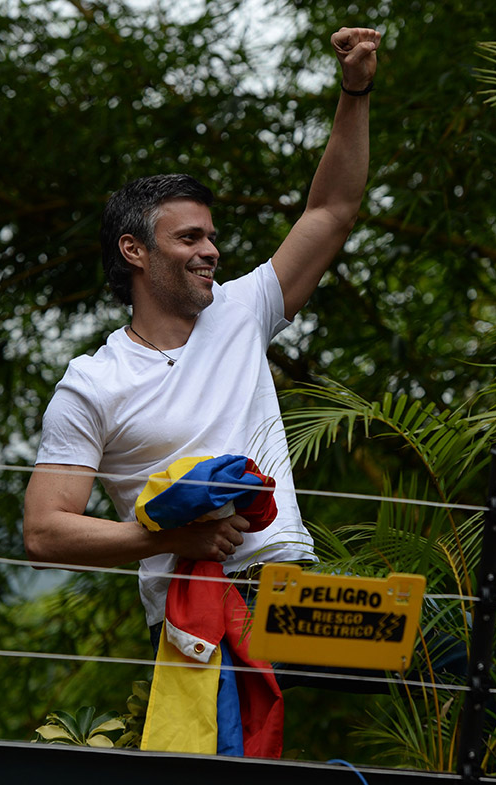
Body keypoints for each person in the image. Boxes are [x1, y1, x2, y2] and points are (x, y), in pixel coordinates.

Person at [24, 26, 381, 636]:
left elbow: (331, 212)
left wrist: (355, 92)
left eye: (212, 236)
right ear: (134, 250)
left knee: (454, 658)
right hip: (199, 623)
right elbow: (44, 530)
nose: (211, 250)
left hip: (289, 590)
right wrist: (170, 537)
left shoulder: (241, 312)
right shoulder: (92, 383)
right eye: (190, 238)